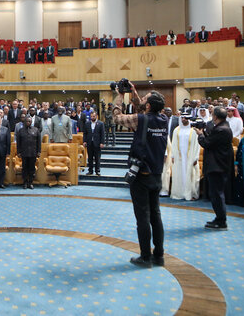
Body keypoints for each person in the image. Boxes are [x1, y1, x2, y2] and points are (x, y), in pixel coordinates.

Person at [112, 84, 167, 268]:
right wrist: (133, 92)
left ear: (149, 106)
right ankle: (159, 256)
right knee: (155, 216)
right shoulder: (164, 119)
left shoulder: (140, 120)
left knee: (142, 217)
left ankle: (145, 257)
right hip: (157, 175)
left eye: (145, 99)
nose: (141, 100)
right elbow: (143, 110)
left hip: (141, 175)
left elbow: (116, 117)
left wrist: (120, 96)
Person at [196, 107, 234, 230]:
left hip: (217, 166)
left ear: (215, 117)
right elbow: (212, 141)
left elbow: (206, 143)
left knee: (217, 194)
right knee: (216, 194)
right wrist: (205, 134)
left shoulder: (221, 130)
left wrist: (200, 135)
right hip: (218, 166)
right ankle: (219, 218)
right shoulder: (223, 127)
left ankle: (222, 221)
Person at [170, 115, 200, 201]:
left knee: (190, 174)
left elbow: (197, 145)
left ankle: (190, 194)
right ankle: (179, 193)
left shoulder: (194, 131)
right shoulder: (176, 130)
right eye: (182, 118)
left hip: (190, 157)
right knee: (179, 174)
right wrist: (172, 155)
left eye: (186, 118)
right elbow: (174, 143)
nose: (184, 119)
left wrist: (196, 157)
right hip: (179, 157)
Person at [16, 116, 40, 189]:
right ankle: (25, 182)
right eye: (26, 121)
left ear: (31, 122)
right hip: (24, 153)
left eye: (29, 121)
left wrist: (39, 151)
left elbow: (39, 142)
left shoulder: (36, 130)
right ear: (24, 122)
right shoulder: (21, 130)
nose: (28, 122)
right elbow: (18, 143)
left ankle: (30, 182)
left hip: (33, 153)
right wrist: (18, 152)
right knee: (24, 168)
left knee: (32, 169)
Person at [83, 111, 105, 176]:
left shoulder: (100, 123)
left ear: (96, 116)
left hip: (97, 143)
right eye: (91, 116)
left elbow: (102, 134)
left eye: (94, 116)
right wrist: (84, 141)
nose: (92, 117)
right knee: (90, 158)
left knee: (97, 158)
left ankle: (97, 171)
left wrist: (102, 142)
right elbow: (85, 133)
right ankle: (90, 171)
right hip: (89, 143)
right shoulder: (87, 123)